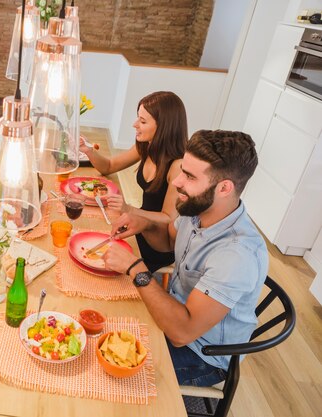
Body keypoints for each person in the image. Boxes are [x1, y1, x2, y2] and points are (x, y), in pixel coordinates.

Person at [103, 130, 268, 387]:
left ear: (224, 187)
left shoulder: (237, 255)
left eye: (189, 176)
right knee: (99, 320)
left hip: (201, 354)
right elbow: (169, 241)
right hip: (174, 311)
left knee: (107, 369)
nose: (177, 182)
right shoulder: (198, 208)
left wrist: (136, 268)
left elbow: (182, 333)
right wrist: (144, 222)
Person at [80, 91, 187, 272]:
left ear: (163, 127)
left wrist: (129, 209)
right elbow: (109, 166)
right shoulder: (146, 146)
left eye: (143, 121)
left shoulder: (177, 165)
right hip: (138, 225)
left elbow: (169, 218)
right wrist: (88, 150)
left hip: (158, 243)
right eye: (138, 118)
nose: (135, 125)